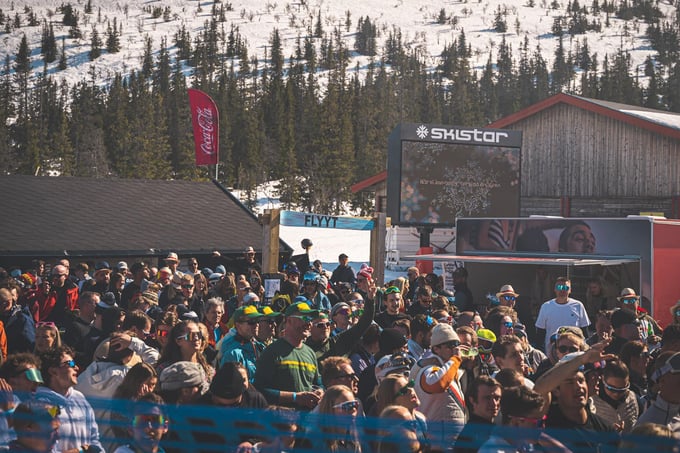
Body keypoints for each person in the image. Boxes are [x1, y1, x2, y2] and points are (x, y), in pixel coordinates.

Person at [254, 301, 323, 409]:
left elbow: (318, 383)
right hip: (281, 417)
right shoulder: (272, 352)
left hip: (307, 417)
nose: (309, 324)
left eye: (310, 319)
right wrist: (295, 397)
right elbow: (260, 390)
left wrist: (321, 391)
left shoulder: (310, 353)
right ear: (289, 321)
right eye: (305, 318)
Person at [34, 345, 104, 453]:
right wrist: (80, 451)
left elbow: (94, 439)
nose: (76, 368)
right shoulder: (40, 404)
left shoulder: (79, 398)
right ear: (53, 372)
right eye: (70, 364)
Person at [410, 323, 467, 448]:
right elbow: (438, 384)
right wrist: (456, 359)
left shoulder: (450, 370)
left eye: (456, 344)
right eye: (450, 345)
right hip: (436, 445)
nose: (455, 349)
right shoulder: (429, 369)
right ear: (436, 349)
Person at [535, 277, 590, 353]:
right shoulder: (546, 306)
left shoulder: (578, 305)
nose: (562, 290)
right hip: (552, 353)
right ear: (555, 289)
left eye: (565, 288)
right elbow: (540, 333)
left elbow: (585, 332)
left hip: (574, 352)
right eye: (559, 287)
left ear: (570, 290)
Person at [217, 305, 265, 382]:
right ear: (238, 325)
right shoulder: (233, 353)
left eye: (257, 321)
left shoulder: (260, 347)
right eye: (251, 322)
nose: (256, 325)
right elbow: (227, 384)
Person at [455, 376, 502, 453]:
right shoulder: (470, 436)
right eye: (487, 398)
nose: (494, 403)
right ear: (472, 400)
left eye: (497, 398)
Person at [590, 359, 638, 432]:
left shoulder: (632, 398)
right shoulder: (592, 402)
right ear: (603, 379)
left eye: (622, 389)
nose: (616, 394)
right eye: (611, 388)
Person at [315, 385, 363, 453]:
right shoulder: (316, 442)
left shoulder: (353, 439)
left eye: (354, 404)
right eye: (347, 406)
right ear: (330, 409)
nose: (353, 410)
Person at [0, 288, 35, 355]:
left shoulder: (23, 320)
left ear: (8, 303)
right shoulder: (3, 318)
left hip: (16, 358)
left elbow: (30, 344)